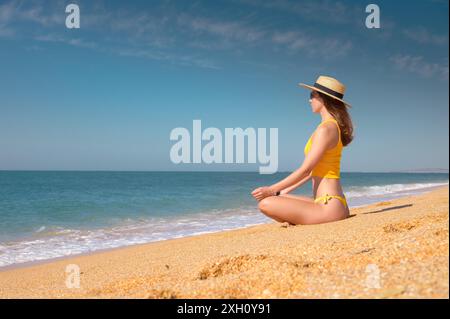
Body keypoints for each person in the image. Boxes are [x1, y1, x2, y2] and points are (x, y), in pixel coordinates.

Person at [251, 75, 354, 225]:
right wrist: (282, 191)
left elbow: (306, 170)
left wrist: (271, 189)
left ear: (323, 98)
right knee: (277, 198)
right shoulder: (330, 127)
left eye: (312, 95)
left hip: (328, 207)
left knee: (265, 204)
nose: (309, 100)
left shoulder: (326, 129)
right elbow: (313, 171)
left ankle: (301, 219)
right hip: (333, 202)